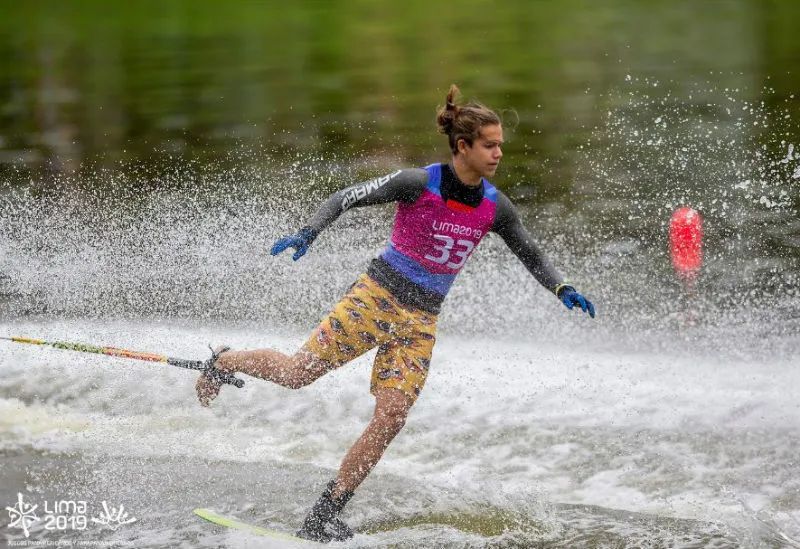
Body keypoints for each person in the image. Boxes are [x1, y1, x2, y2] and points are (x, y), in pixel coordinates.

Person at [195, 84, 595, 542]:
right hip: (374, 300)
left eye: (500, 144)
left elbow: (531, 252)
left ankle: (324, 514)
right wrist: (309, 232)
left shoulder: (494, 206)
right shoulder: (416, 183)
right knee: (297, 373)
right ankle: (223, 360)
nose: (499, 152)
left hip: (422, 322)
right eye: (490, 144)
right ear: (463, 146)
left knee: (392, 417)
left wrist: (561, 286)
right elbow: (345, 196)